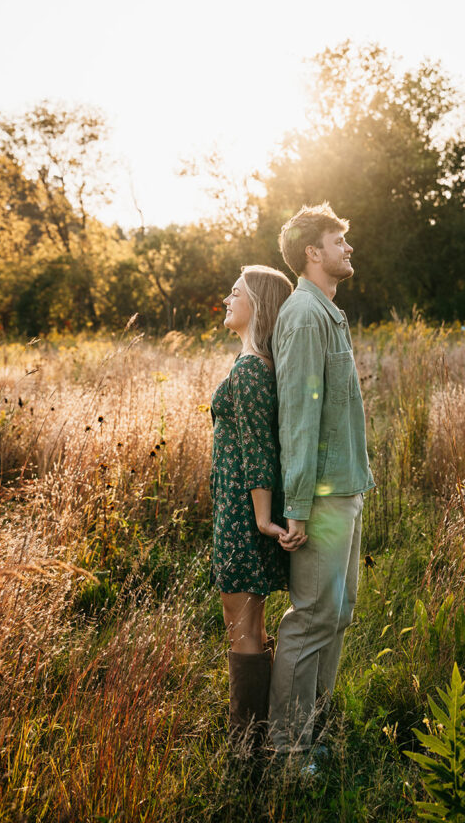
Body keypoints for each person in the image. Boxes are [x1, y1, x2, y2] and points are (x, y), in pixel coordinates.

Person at [268, 203, 374, 758]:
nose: (348, 248)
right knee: (310, 619)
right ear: (314, 251)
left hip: (344, 489)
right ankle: (287, 751)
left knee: (337, 614)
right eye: (339, 240)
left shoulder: (327, 311)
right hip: (322, 499)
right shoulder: (305, 315)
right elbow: (299, 417)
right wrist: (300, 508)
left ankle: (316, 732)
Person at [209, 264, 293, 750]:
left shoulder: (249, 370)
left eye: (235, 292)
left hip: (243, 518)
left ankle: (246, 750)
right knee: (250, 630)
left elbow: (259, 449)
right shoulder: (257, 366)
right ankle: (263, 737)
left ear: (256, 305)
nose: (227, 297)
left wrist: (262, 519)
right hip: (240, 512)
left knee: (241, 629)